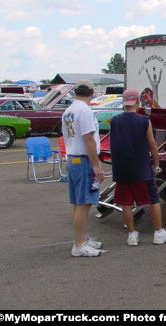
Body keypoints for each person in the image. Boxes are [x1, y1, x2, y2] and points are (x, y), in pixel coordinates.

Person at [110, 89, 166, 246]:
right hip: (141, 168)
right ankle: (158, 232)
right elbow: (152, 144)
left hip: (121, 168)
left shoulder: (115, 121)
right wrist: (157, 163)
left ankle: (132, 235)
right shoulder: (144, 121)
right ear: (137, 101)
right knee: (153, 200)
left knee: (125, 202)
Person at [62, 79, 106, 257]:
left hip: (73, 158)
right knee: (85, 203)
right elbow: (88, 139)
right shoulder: (85, 110)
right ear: (91, 92)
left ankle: (81, 238)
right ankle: (79, 244)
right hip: (83, 159)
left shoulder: (69, 110)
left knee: (77, 203)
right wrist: (96, 165)